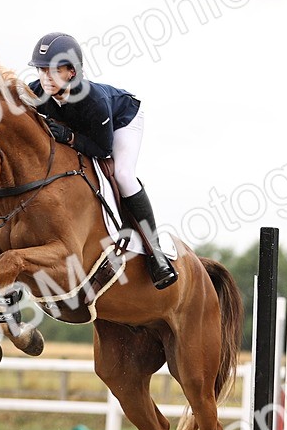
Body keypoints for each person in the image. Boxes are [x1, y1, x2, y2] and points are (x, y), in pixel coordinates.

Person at [26, 32, 178, 289]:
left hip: (122, 120)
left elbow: (101, 148)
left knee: (123, 174)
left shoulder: (93, 101)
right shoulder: (36, 92)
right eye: (41, 70)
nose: (44, 77)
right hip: (88, 127)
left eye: (53, 70)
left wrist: (71, 137)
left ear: (72, 72)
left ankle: (156, 252)